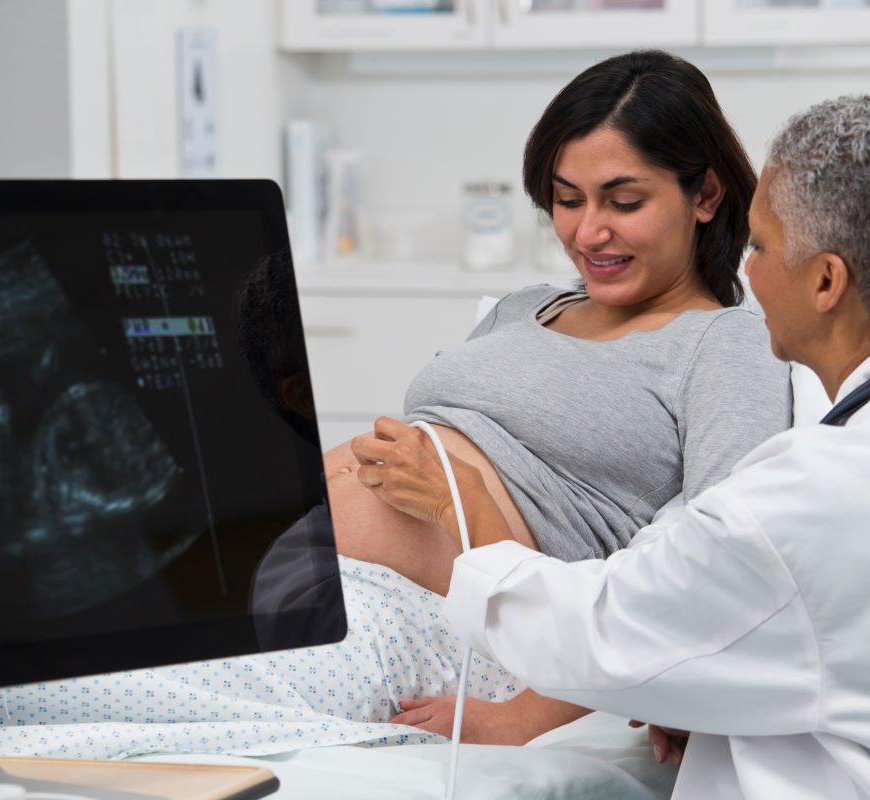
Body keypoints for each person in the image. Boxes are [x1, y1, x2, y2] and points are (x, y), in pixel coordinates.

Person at [353, 94, 870, 798]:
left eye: (760, 247)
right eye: (567, 199)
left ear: (826, 281)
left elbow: (604, 636)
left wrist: (459, 503)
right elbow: (680, 603)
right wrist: (682, 687)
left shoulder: (808, 500)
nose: (748, 274)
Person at [257, 49, 790, 737]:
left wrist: (526, 716)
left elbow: (726, 574)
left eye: (624, 202)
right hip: (296, 569)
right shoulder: (523, 307)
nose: (587, 232)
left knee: (131, 697)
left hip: (432, 622)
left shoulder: (725, 342)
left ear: (706, 196)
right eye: (567, 200)